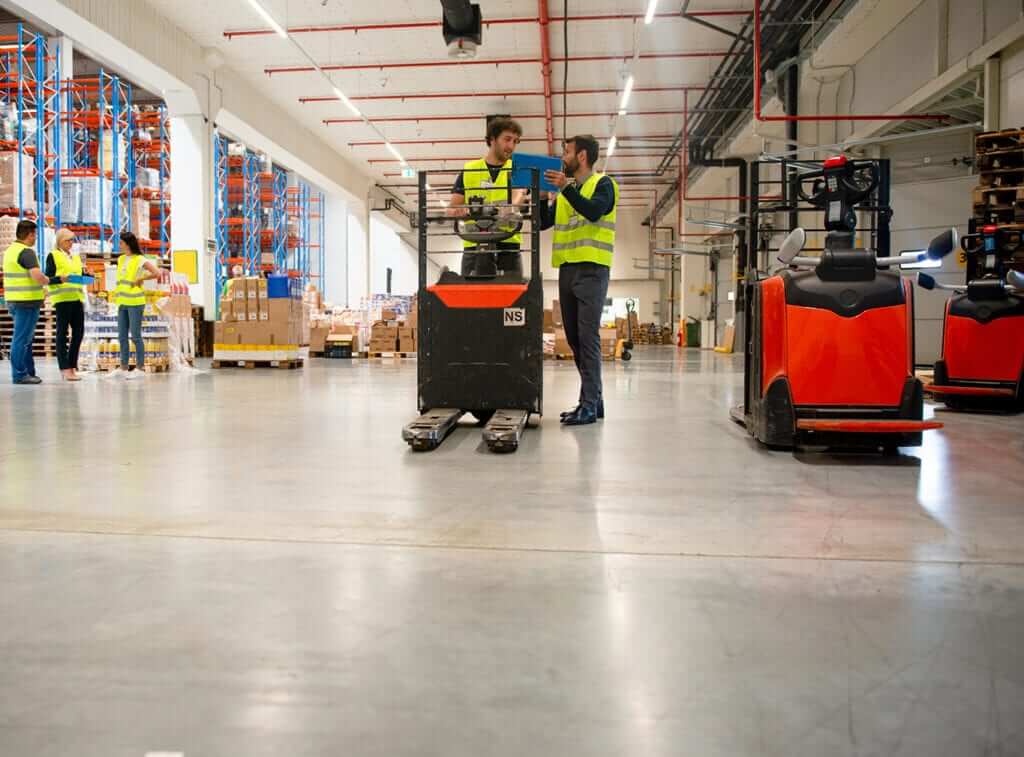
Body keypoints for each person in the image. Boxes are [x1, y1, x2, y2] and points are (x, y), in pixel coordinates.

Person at [541, 134, 619, 426]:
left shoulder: (604, 184)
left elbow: (595, 211)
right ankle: (593, 403)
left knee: (588, 338)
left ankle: (588, 404)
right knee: (574, 339)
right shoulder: (564, 191)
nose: (563, 156)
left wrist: (565, 188)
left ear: (582, 156)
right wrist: (540, 197)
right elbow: (542, 223)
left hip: (592, 269)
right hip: (567, 269)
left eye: (567, 151)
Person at [450, 116, 527, 279]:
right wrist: (459, 211)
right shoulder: (469, 169)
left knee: (511, 300)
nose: (511, 146)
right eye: (507, 139)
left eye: (515, 141)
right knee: (472, 300)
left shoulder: (517, 169)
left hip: (508, 245)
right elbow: (453, 207)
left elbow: (519, 195)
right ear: (492, 139)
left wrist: (511, 207)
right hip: (474, 244)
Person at [3, 220, 65, 385]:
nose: (36, 237)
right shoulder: (26, 252)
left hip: (15, 301)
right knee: (21, 339)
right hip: (26, 302)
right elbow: (38, 277)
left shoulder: (10, 251)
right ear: (30, 235)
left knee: (25, 340)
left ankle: (28, 372)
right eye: (35, 234)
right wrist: (52, 280)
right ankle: (19, 374)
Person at [112, 231, 160, 379]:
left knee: (136, 336)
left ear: (127, 243)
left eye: (120, 242)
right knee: (122, 336)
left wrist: (142, 279)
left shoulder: (139, 259)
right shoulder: (120, 259)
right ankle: (123, 367)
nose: (119, 245)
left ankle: (140, 368)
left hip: (135, 302)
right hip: (122, 302)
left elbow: (156, 272)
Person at [45, 228, 86, 382]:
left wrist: (85, 274)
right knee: (62, 334)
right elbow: (48, 277)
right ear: (60, 241)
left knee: (79, 333)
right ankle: (65, 368)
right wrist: (60, 279)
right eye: (68, 240)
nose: (71, 243)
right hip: (62, 299)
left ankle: (72, 366)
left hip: (76, 298)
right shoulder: (53, 256)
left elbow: (78, 275)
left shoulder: (75, 257)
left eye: (72, 240)